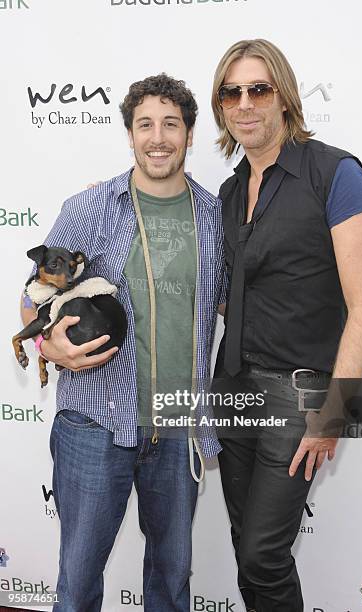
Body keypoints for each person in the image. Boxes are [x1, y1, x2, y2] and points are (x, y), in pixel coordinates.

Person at [20, 74, 226, 612]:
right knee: (79, 586)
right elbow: (33, 297)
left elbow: (229, 305)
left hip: (178, 430)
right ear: (130, 134)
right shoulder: (91, 207)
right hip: (94, 426)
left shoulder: (213, 216)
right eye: (145, 125)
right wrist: (48, 349)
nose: (158, 138)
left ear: (190, 132)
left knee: (170, 588)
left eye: (171, 124)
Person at [211, 39, 362, 612]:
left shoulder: (335, 173)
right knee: (244, 547)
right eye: (231, 92)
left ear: (284, 96)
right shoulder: (231, 193)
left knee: (263, 553)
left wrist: (334, 413)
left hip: (296, 394)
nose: (245, 103)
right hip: (230, 388)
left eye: (258, 88)